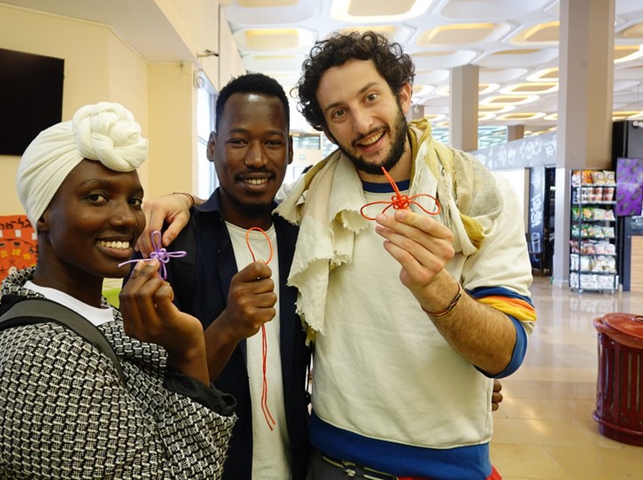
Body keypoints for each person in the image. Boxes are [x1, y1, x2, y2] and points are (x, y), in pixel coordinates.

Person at [140, 31, 534, 480]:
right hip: (330, 458)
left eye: (371, 97)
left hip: (445, 462)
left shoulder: (476, 197)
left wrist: (439, 292)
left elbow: (506, 353)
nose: (362, 124)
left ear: (404, 93)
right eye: (339, 113)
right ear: (326, 128)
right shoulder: (307, 204)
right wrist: (185, 200)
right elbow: (243, 199)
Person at [0, 102, 237, 479]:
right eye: (96, 197)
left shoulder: (96, 312)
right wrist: (189, 348)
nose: (126, 218)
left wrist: (186, 199)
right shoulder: (43, 357)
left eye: (133, 201)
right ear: (43, 215)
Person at [130, 73, 311, 480]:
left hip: (300, 463)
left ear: (290, 149)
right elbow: (147, 392)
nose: (256, 159)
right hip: (205, 467)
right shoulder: (172, 246)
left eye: (272, 142)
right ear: (213, 147)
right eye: (239, 141)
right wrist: (228, 326)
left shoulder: (307, 240)